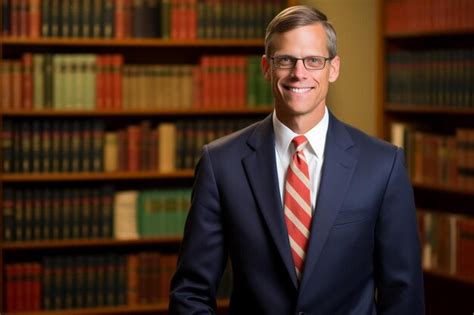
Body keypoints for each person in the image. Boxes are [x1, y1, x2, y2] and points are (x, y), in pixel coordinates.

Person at [169, 5, 424, 314]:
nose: (299, 73)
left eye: (314, 60)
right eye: (285, 60)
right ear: (266, 67)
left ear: (333, 68)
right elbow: (191, 292)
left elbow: (403, 294)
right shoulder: (221, 163)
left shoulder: (383, 164)